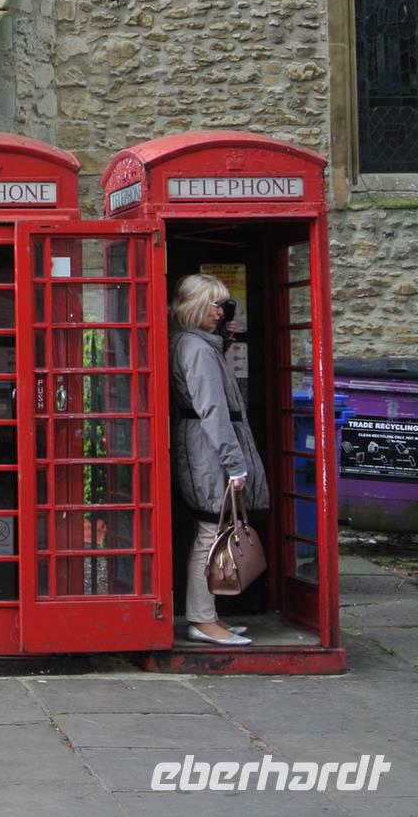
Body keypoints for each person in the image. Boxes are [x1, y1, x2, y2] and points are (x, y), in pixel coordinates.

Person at [170, 274, 270, 647]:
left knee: (211, 531)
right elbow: (213, 409)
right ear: (195, 306)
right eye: (215, 304)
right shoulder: (195, 349)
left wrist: (224, 339)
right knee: (210, 532)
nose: (221, 311)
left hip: (205, 448)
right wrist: (234, 464)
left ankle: (209, 615)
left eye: (224, 303)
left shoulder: (200, 344)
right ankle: (201, 618)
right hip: (208, 452)